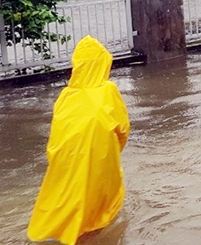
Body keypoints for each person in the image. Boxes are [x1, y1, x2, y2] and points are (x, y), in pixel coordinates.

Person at [28, 36, 130, 245]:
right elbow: (123, 129)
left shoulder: (66, 96)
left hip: (65, 160)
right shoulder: (108, 91)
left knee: (64, 197)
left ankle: (56, 233)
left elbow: (56, 135)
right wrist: (113, 151)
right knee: (100, 201)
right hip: (100, 158)